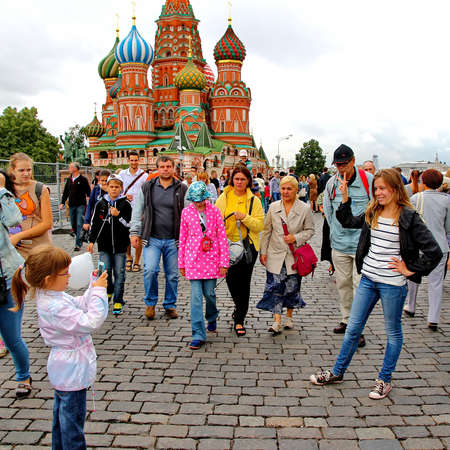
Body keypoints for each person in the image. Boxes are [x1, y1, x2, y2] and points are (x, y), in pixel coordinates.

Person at [310, 169, 442, 399]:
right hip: (369, 279)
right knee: (352, 328)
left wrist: (410, 269)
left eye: (382, 189)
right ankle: (337, 372)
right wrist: (344, 198)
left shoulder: (408, 216)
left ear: (394, 189)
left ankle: (384, 379)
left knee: (393, 332)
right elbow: (349, 221)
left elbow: (434, 250)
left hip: (393, 284)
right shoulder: (373, 211)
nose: (378, 193)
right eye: (376, 189)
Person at [12, 245, 108, 449]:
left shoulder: (53, 297)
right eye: (65, 273)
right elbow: (91, 321)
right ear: (49, 279)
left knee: (62, 421)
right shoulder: (55, 306)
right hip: (71, 372)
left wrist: (93, 286)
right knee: (72, 426)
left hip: (66, 370)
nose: (69, 276)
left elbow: (79, 304)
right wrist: (99, 292)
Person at [323, 144, 373, 346]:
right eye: (338, 165)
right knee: (343, 285)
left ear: (353, 161)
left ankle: (357, 327)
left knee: (359, 286)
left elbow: (373, 211)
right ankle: (346, 319)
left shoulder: (368, 181)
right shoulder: (331, 184)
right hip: (340, 244)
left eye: (344, 164)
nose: (341, 168)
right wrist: (334, 233)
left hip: (361, 245)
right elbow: (327, 211)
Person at [130, 156, 188, 320]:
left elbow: (189, 212)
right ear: (157, 169)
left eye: (168, 166)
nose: (165, 169)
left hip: (174, 239)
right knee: (150, 270)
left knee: (172, 274)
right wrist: (134, 232)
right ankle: (150, 303)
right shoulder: (147, 187)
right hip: (152, 237)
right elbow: (137, 210)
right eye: (162, 166)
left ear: (173, 168)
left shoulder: (181, 188)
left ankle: (170, 305)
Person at [257, 176, 314, 333]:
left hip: (294, 256)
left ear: (296, 190)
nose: (285, 192)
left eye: (289, 189)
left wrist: (296, 237)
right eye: (283, 188)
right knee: (275, 287)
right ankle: (277, 321)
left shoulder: (304, 209)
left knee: (291, 287)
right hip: (275, 253)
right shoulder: (273, 207)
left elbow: (310, 230)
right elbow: (267, 231)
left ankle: (289, 316)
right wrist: (263, 252)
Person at [178, 182, 229, 349]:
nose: (199, 203)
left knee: (209, 294)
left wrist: (224, 262)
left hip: (211, 259)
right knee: (196, 298)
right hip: (193, 259)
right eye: (196, 200)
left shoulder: (214, 211)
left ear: (206, 198)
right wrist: (182, 262)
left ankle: (212, 315)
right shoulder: (186, 212)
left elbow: (222, 237)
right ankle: (198, 333)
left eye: (201, 200)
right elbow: (183, 238)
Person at [216, 165, 264, 336]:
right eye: (236, 178)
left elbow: (259, 225)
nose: (239, 182)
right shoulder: (224, 197)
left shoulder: (254, 200)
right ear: (232, 180)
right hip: (227, 246)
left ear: (248, 181)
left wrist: (245, 217)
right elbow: (215, 221)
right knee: (230, 279)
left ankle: (239, 319)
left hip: (247, 246)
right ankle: (239, 306)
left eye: (243, 179)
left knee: (244, 284)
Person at [404, 169, 450, 330]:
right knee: (436, 283)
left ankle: (410, 305)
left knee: (413, 276)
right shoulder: (447, 200)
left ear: (423, 182)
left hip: (419, 245)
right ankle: (433, 317)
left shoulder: (416, 198)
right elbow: (448, 227)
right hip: (440, 245)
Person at [0, 170, 31, 397]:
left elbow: (14, 221)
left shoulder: (4, 201)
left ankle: (23, 376)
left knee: (11, 337)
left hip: (6, 277)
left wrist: (1, 190)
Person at [88, 175, 132, 315]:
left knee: (119, 272)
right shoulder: (100, 203)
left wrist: (118, 215)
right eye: (111, 187)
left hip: (120, 246)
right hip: (104, 245)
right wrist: (91, 240)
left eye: (117, 187)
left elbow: (129, 224)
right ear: (107, 187)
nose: (114, 190)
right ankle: (108, 291)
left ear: (121, 188)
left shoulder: (125, 204)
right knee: (105, 272)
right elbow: (95, 224)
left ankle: (118, 299)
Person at [8, 153, 52, 258]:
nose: (26, 174)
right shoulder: (6, 189)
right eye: (21, 170)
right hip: (13, 247)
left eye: (28, 170)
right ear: (13, 170)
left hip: (38, 246)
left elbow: (47, 223)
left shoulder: (40, 188)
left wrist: (18, 236)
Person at [119, 151, 148, 273]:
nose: (134, 162)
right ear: (128, 161)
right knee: (125, 234)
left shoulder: (144, 176)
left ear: (139, 160)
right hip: (126, 207)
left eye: (136, 160)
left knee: (139, 235)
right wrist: (124, 196)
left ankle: (137, 260)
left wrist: (145, 211)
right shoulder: (122, 174)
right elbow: (117, 190)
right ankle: (128, 257)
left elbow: (147, 193)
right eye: (132, 160)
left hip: (139, 208)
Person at [59, 163, 91, 251]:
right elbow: (65, 192)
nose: (69, 168)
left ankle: (78, 244)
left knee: (79, 223)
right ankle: (80, 236)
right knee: (73, 223)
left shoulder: (83, 179)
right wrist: (62, 202)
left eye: (70, 167)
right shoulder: (69, 180)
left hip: (81, 204)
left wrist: (89, 200)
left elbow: (88, 191)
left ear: (76, 168)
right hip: (71, 205)